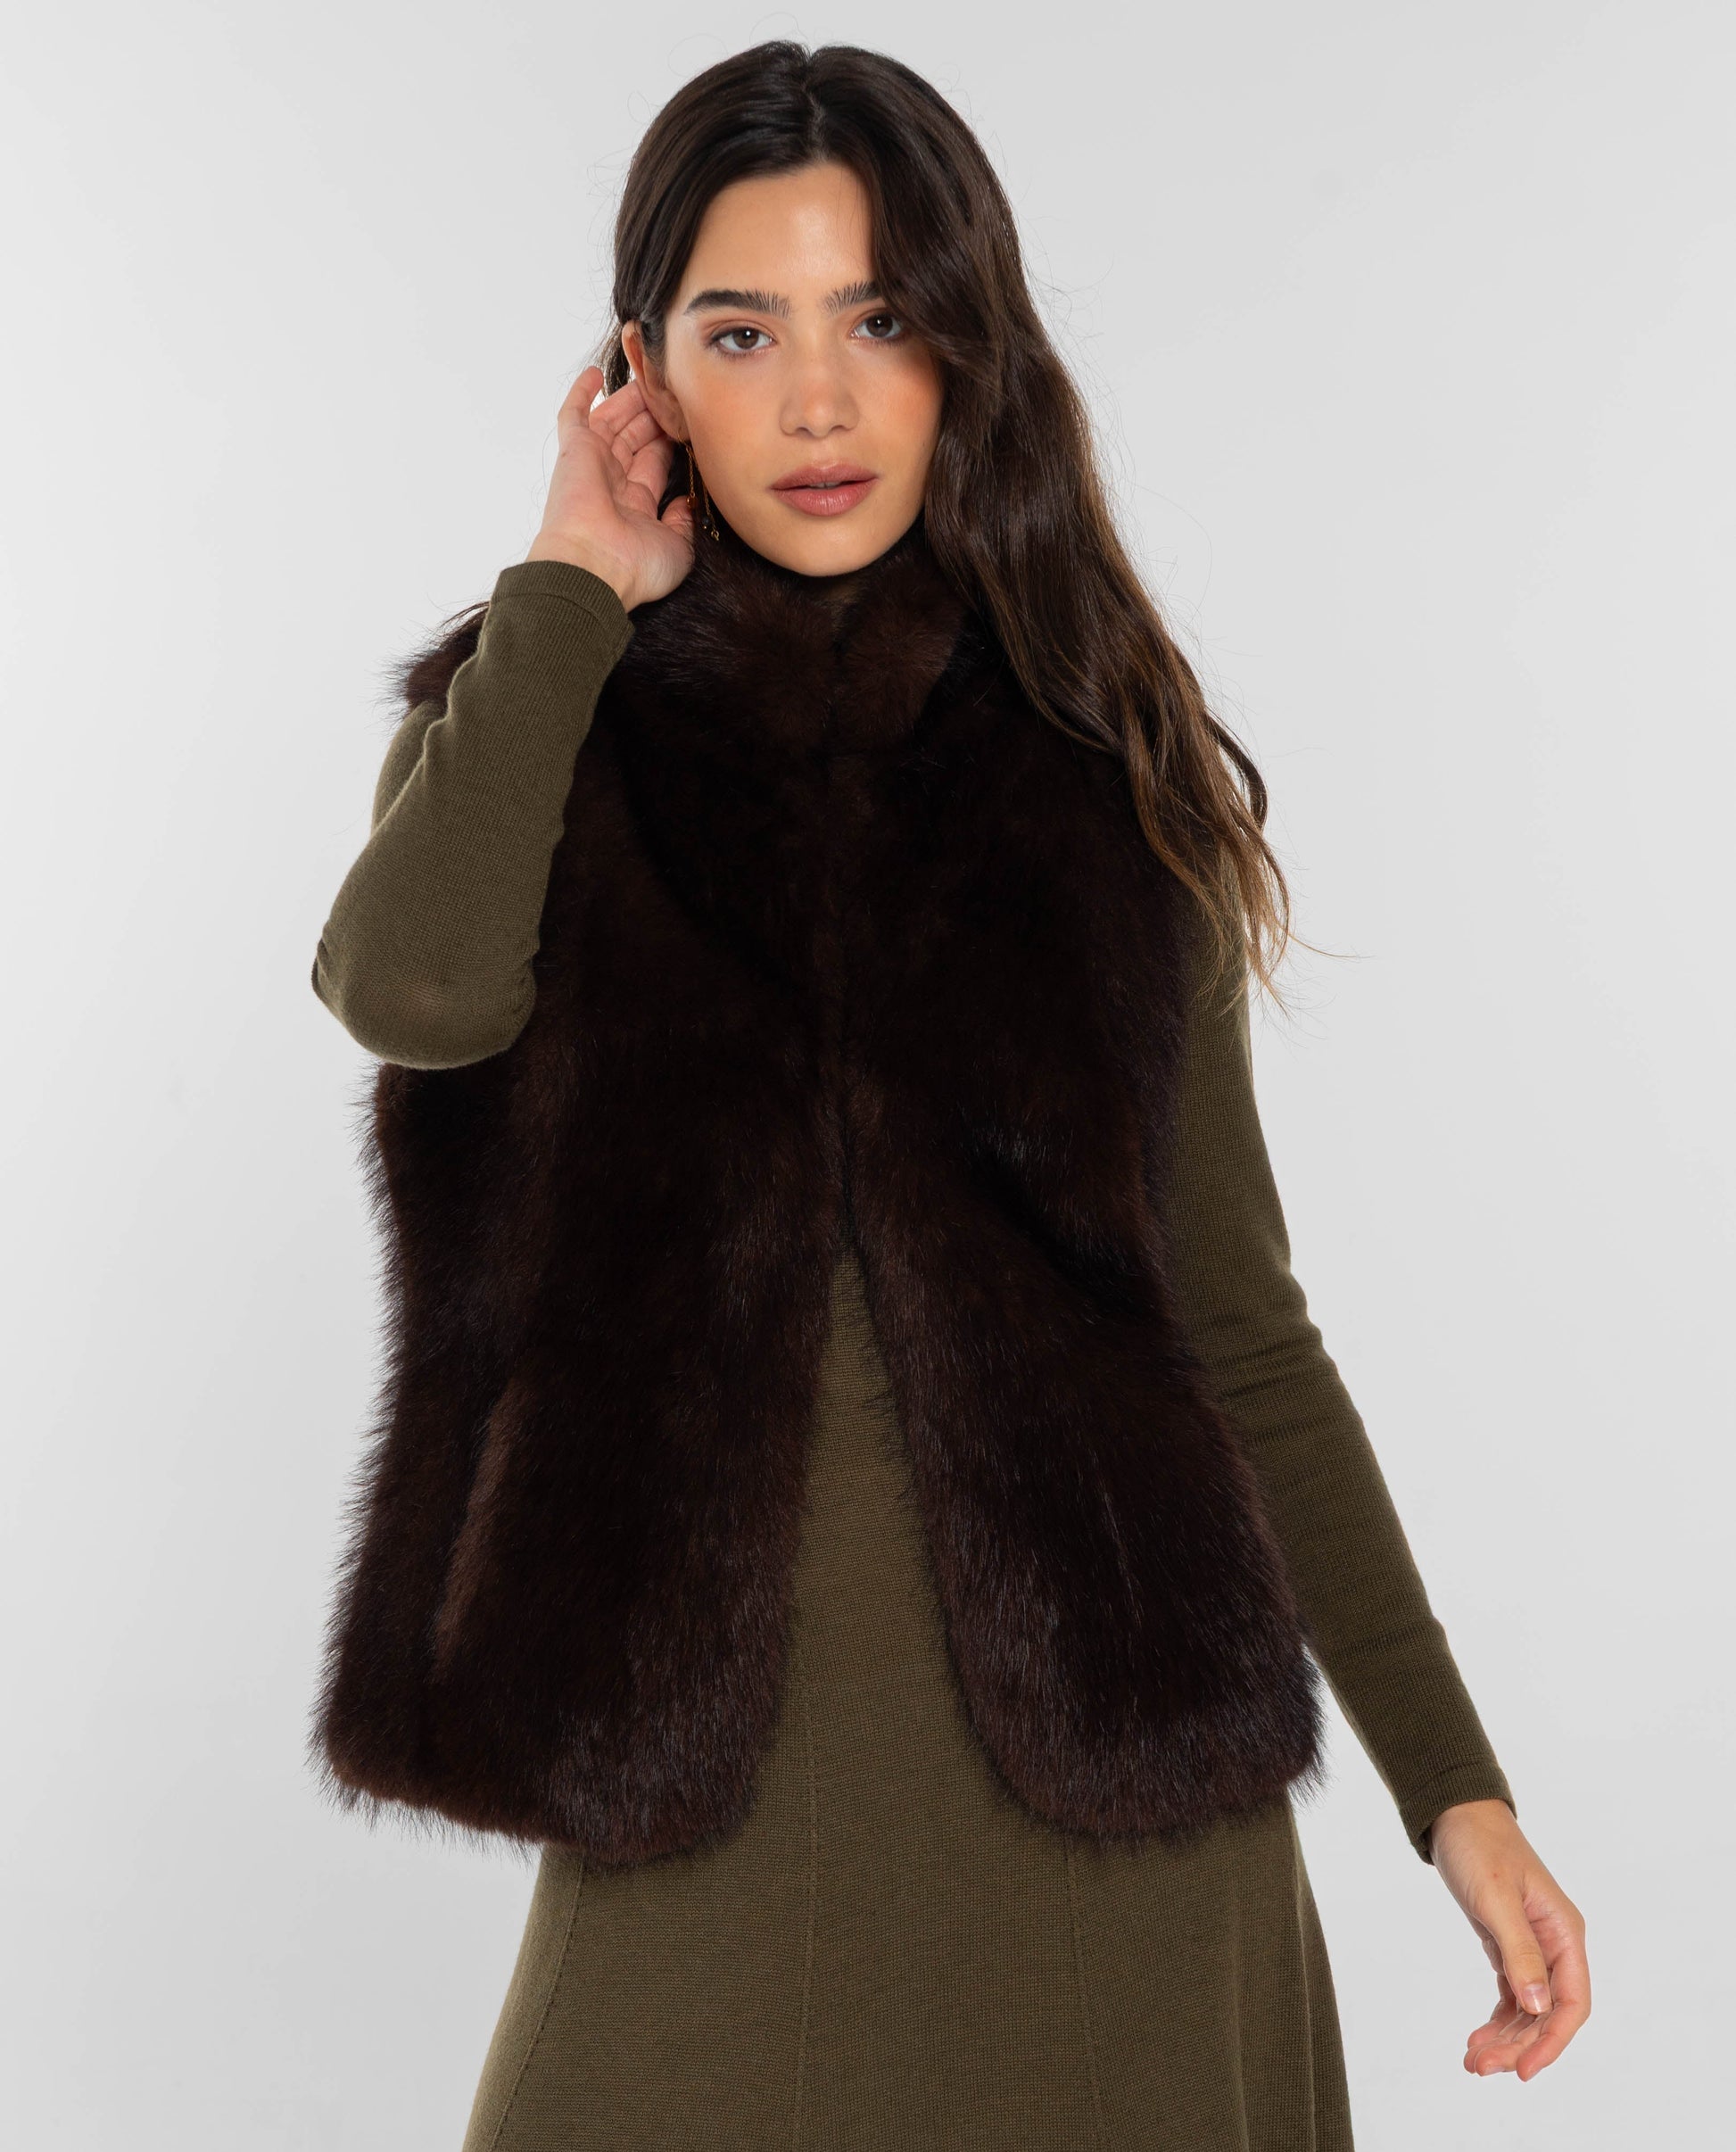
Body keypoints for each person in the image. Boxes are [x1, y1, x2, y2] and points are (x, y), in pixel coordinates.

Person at [308, 39, 1589, 2151]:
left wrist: (1454, 1792)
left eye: (881, 319)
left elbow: (1235, 1328)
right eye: (743, 332)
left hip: (1121, 1822)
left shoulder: (1095, 773)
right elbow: (413, 989)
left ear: (965, 351)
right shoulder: (534, 726)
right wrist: (565, 590)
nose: (818, 401)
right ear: (639, 376)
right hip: (691, 1793)